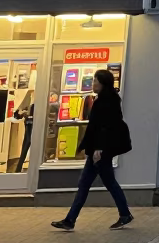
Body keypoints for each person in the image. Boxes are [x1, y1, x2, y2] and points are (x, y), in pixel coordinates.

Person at [51, 69, 133, 231]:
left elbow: (106, 127)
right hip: (97, 150)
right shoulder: (103, 99)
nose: (93, 84)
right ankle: (70, 220)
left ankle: (124, 214)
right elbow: (95, 127)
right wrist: (84, 146)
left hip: (100, 151)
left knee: (105, 183)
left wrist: (99, 148)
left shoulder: (107, 101)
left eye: (96, 81)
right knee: (88, 184)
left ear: (103, 83)